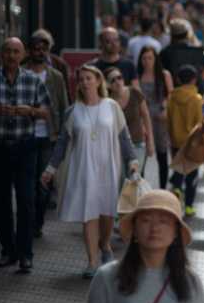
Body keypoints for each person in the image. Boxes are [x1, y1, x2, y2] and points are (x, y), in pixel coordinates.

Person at [41, 65, 139, 278]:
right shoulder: (72, 110)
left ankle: (105, 245)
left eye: (89, 78)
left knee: (107, 214)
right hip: (83, 169)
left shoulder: (111, 107)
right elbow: (61, 144)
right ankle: (92, 262)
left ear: (98, 81)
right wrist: (50, 169)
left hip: (108, 168)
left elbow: (124, 137)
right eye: (81, 78)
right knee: (89, 214)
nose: (84, 82)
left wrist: (132, 160)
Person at [0, 38, 51, 273]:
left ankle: (26, 254)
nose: (11, 56)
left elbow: (46, 112)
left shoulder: (33, 81)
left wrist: (31, 111)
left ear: (22, 54)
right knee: (0, 203)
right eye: (7, 51)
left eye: (16, 52)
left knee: (26, 201)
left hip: (25, 147)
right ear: (1, 55)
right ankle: (8, 250)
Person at [23, 33, 70, 239]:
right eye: (36, 48)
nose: (39, 52)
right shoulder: (22, 74)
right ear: (29, 50)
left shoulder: (55, 77)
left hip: (49, 137)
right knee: (27, 183)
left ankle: (37, 222)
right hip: (24, 135)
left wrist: (65, 134)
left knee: (43, 184)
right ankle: (29, 222)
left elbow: (63, 105)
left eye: (43, 48)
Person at [135, 46, 174, 189]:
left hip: (159, 118)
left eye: (150, 58)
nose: (147, 61)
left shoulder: (164, 75)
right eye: (144, 58)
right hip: (142, 119)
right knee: (142, 156)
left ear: (155, 59)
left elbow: (171, 95)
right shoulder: (137, 76)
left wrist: (165, 107)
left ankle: (163, 189)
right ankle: (142, 190)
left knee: (162, 155)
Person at [106, 67, 154, 180]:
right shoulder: (107, 101)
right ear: (107, 84)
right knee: (121, 181)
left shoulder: (134, 92)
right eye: (113, 80)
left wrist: (150, 142)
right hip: (117, 147)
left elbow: (146, 116)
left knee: (134, 179)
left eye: (119, 77)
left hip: (138, 143)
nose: (117, 81)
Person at [168, 65, 203, 217]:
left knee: (178, 168)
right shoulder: (196, 99)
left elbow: (168, 119)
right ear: (194, 79)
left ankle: (176, 187)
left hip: (176, 140)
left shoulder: (172, 98)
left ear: (178, 79)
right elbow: (200, 122)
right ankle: (189, 206)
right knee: (192, 175)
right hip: (191, 142)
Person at [160, 19, 204, 86]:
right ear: (187, 34)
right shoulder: (198, 51)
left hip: (174, 93)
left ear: (171, 35)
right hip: (195, 92)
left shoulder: (165, 53)